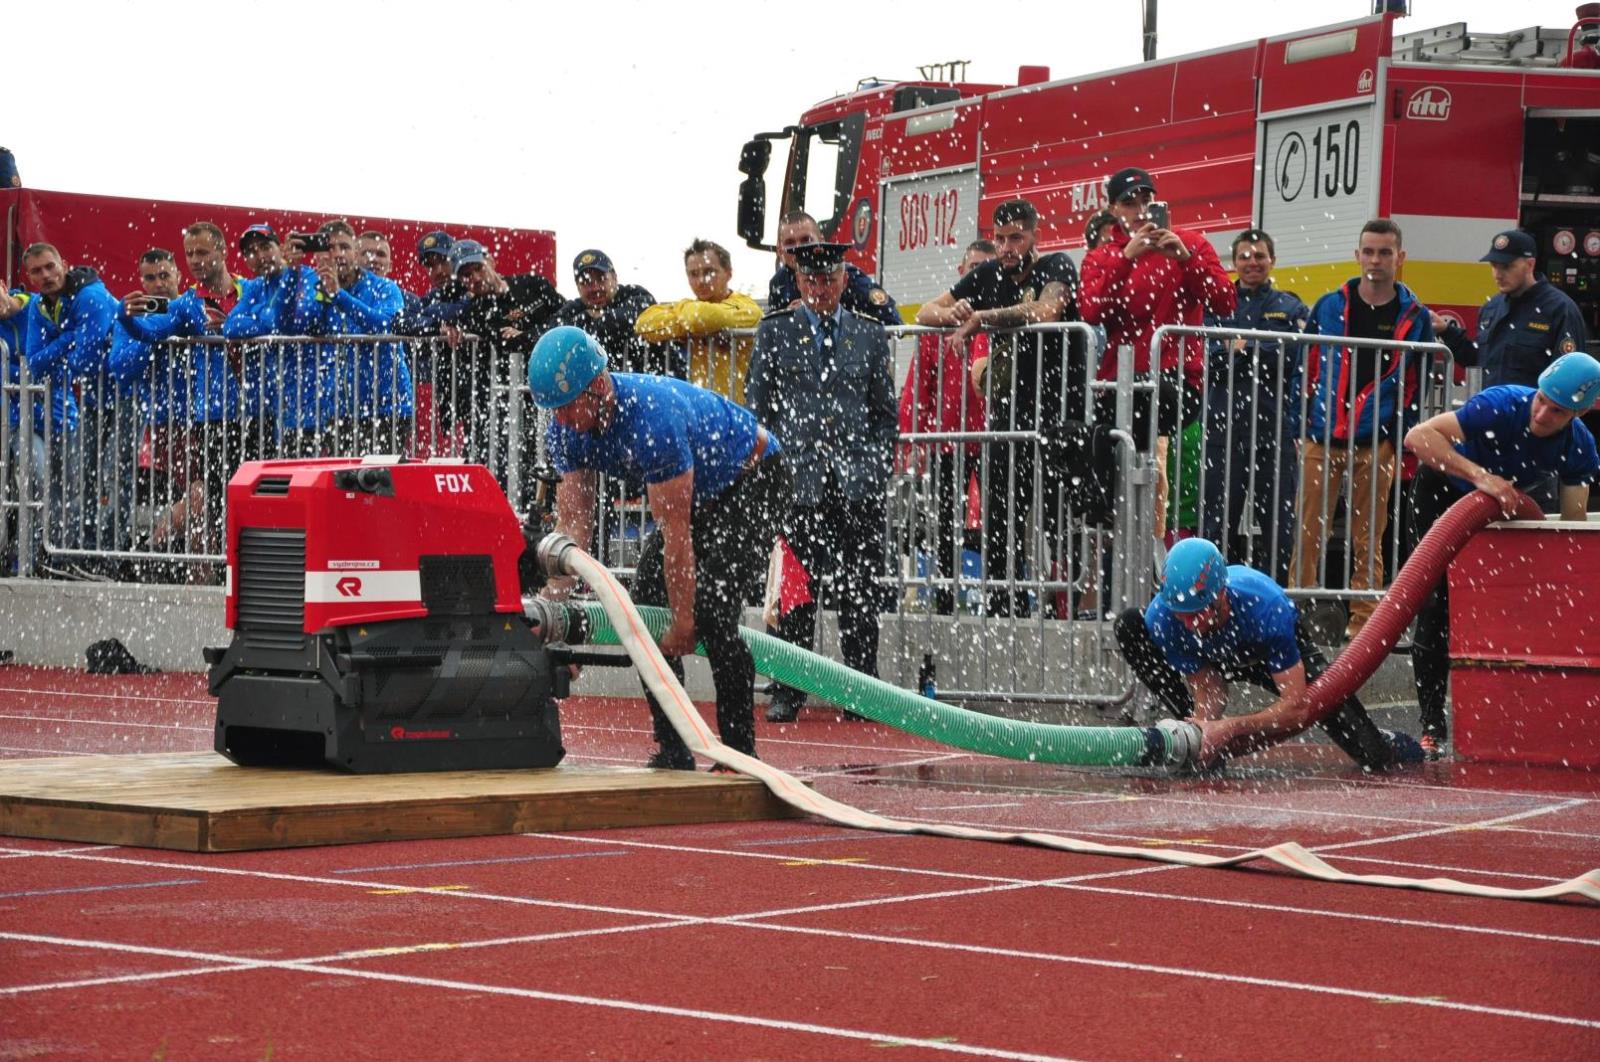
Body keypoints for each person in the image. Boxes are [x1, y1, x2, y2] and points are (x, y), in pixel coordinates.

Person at [532, 326, 792, 770]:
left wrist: (685, 622)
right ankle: (674, 749)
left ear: (597, 387)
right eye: (552, 411)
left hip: (755, 480)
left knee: (711, 612)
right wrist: (549, 613)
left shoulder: (652, 420)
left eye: (566, 407)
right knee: (643, 616)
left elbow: (676, 536)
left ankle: (738, 752)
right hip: (697, 497)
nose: (559, 420)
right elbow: (573, 531)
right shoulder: (565, 429)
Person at [1402, 352, 1600, 757]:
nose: (1542, 413)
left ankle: (1512, 716)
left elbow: (1573, 523)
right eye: (1541, 399)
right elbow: (1418, 438)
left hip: (1504, 505)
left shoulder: (1580, 448)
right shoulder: (1503, 403)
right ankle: (1432, 726)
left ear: (1578, 414)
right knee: (1437, 600)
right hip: (1442, 490)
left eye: (1557, 411)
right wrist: (1481, 477)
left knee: (1502, 604)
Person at [748, 242, 897, 723]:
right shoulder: (775, 333)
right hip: (798, 483)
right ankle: (790, 688)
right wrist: (772, 473)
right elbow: (760, 411)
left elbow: (884, 415)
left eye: (828, 279)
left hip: (857, 484)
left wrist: (873, 467)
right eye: (811, 280)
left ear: (841, 281)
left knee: (861, 590)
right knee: (795, 591)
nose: (820, 288)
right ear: (798, 283)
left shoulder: (869, 335)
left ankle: (860, 690)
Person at [1114, 537, 1419, 772]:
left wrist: (1231, 726)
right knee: (1129, 624)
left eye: (1197, 613)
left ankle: (1395, 745)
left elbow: (1295, 709)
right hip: (1220, 657)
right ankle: (1192, 735)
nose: (1190, 623)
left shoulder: (1266, 609)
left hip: (1265, 651)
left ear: (1221, 595)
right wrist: (1204, 730)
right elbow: (1209, 686)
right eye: (1181, 614)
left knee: (1371, 754)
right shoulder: (1164, 618)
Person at [915, 198, 1080, 617]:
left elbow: (1048, 309)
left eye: (1016, 238)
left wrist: (984, 317)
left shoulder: (1056, 266)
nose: (1007, 247)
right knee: (1000, 516)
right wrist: (954, 313)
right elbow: (923, 312)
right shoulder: (988, 274)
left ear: (1034, 237)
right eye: (1000, 238)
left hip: (1060, 411)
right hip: (1006, 417)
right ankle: (1003, 606)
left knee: (1062, 520)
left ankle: (1066, 608)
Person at [1293, 218, 1435, 641]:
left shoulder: (1415, 316)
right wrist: (1302, 423)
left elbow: (1416, 382)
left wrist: (1396, 436)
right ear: (1357, 255)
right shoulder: (1329, 305)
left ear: (1400, 258)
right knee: (1307, 530)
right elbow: (1308, 367)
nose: (1375, 260)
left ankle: (1364, 624)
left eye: (1384, 252)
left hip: (1376, 443)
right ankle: (1296, 618)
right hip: (1321, 436)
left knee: (1370, 536)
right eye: (1369, 251)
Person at [1080, 167, 1237, 540]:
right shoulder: (1104, 256)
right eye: (1129, 203)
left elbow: (1225, 301)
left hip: (1177, 380)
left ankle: (1142, 542)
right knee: (1075, 437)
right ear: (1113, 209)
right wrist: (1125, 259)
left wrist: (1184, 258)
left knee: (1145, 441)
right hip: (1122, 381)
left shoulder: (1191, 243)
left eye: (1146, 201)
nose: (1139, 211)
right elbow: (1090, 311)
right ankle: (1102, 516)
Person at [1430, 229, 1588, 510]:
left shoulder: (1559, 310)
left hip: (1536, 448)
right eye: (1493, 266)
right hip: (1490, 441)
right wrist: (1449, 333)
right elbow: (1479, 358)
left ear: (1530, 264)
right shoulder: (1491, 309)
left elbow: (1572, 378)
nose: (1497, 273)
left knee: (1533, 537)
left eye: (1506, 266)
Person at [1200, 228, 1309, 584]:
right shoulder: (1216, 305)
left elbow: (1289, 357)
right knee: (1217, 526)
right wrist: (1252, 352)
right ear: (1234, 263)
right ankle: (1215, 597)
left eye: (1259, 256)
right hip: (1222, 433)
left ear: (1272, 261)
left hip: (1273, 435)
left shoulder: (1289, 306)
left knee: (1278, 527)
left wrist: (1241, 349)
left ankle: (1274, 597)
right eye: (1245, 256)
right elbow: (1208, 360)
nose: (1252, 263)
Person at [898, 239, 993, 614]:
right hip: (948, 444)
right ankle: (943, 593)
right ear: (961, 273)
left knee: (998, 523)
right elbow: (918, 386)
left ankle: (998, 593)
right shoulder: (940, 326)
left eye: (986, 268)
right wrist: (913, 439)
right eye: (973, 268)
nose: (979, 275)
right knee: (943, 524)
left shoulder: (1001, 320)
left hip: (993, 442)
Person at [11, 243, 116, 569]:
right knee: (47, 488)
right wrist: (69, 337)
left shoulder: (89, 297)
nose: (45, 275)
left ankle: (85, 558)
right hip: (62, 415)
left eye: (50, 267)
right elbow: (35, 364)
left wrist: (61, 346)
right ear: (27, 276)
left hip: (101, 405)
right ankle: (53, 556)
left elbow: (86, 360)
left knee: (84, 488)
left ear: (64, 265)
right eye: (37, 271)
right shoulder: (39, 307)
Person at [445, 238, 562, 477]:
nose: (475, 278)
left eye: (477, 268)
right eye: (466, 275)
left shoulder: (532, 284)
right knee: (521, 467)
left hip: (556, 389)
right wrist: (445, 325)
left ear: (490, 260)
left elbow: (565, 316)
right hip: (518, 401)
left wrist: (531, 335)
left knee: (557, 465)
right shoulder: (476, 311)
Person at [299, 220, 410, 455]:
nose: (338, 254)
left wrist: (339, 296)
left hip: (387, 408)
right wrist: (298, 275)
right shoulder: (314, 287)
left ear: (355, 253)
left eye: (344, 247)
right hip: (340, 411)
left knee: (381, 486)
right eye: (330, 248)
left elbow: (384, 326)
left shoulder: (385, 288)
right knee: (345, 487)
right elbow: (304, 325)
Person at [222, 224, 326, 458]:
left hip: (310, 401)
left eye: (265, 247)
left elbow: (289, 323)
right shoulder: (256, 286)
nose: (259, 256)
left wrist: (259, 314)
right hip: (272, 405)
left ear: (280, 248)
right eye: (251, 252)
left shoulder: (308, 277)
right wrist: (267, 317)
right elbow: (231, 326)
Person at [635, 239, 761, 404]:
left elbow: (699, 318)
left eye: (709, 272)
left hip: (739, 410)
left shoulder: (745, 307)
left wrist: (686, 316)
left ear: (728, 273)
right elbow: (643, 324)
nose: (701, 281)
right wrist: (689, 322)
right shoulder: (687, 310)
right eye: (693, 274)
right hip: (703, 408)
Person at [550, 249, 677, 377]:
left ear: (615, 278)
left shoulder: (636, 294)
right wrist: (588, 317)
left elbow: (629, 318)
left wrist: (594, 323)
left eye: (601, 279)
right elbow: (553, 330)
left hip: (651, 385)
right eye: (586, 283)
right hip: (603, 391)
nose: (595, 288)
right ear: (578, 287)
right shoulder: (577, 308)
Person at [767, 211, 900, 326]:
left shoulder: (845, 275)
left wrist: (837, 321)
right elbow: (770, 334)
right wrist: (786, 318)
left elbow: (892, 321)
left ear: (821, 240)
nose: (798, 248)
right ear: (779, 250)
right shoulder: (778, 283)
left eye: (806, 240)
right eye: (789, 243)